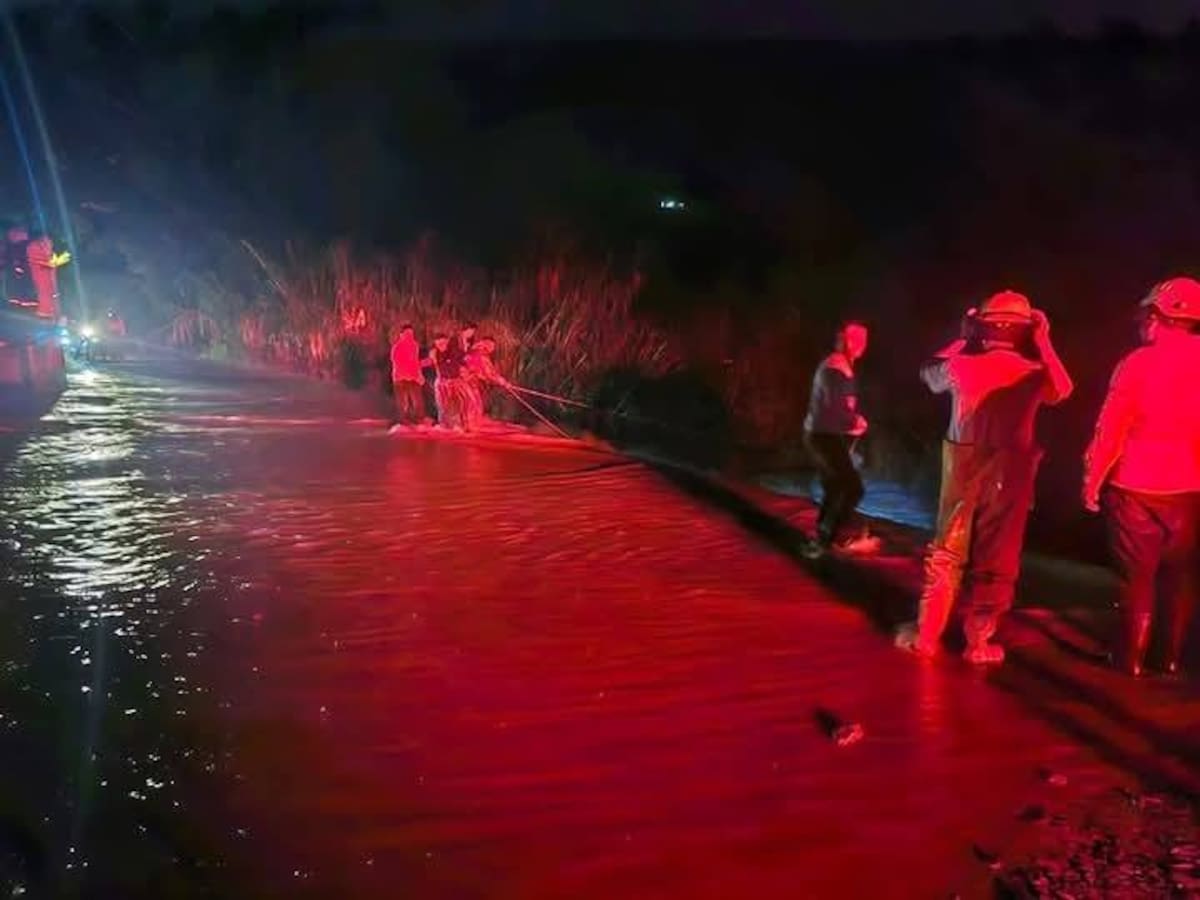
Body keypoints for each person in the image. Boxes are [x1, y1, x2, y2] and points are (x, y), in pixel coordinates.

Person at [896, 290, 1073, 664]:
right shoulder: (1033, 372)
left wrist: (962, 335)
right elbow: (1064, 389)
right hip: (1012, 472)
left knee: (947, 550)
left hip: (963, 465)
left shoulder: (962, 365)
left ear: (982, 326)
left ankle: (927, 635)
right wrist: (1044, 341)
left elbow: (929, 373)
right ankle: (978, 641)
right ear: (1025, 331)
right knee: (998, 556)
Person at [1082, 277, 1200, 677]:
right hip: (1188, 487)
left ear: (1155, 316)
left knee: (1136, 577)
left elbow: (1110, 428)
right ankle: (1167, 658)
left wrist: (1092, 480)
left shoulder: (1137, 363)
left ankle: (1129, 658)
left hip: (1134, 484)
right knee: (1179, 575)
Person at [802, 320, 876, 558]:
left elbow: (839, 407)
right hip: (823, 436)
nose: (863, 345)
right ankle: (829, 537)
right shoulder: (836, 368)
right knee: (851, 488)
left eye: (864, 340)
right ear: (847, 341)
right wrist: (856, 423)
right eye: (858, 340)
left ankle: (826, 536)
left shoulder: (840, 365)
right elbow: (835, 407)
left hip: (823, 434)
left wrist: (853, 421)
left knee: (835, 486)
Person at [464, 337, 510, 430]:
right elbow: (489, 373)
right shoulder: (480, 355)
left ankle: (471, 424)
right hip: (468, 381)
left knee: (475, 403)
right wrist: (503, 382)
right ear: (485, 344)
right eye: (491, 346)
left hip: (470, 381)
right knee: (474, 403)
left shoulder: (475, 351)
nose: (492, 349)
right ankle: (469, 425)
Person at [389, 324, 426, 425]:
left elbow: (415, 361)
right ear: (401, 334)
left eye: (411, 333)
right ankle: (403, 421)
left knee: (417, 401)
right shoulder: (397, 347)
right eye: (407, 333)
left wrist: (419, 374)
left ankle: (419, 420)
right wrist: (408, 374)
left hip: (413, 377)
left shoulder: (414, 345)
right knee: (403, 402)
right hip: (401, 378)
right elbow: (398, 363)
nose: (409, 335)